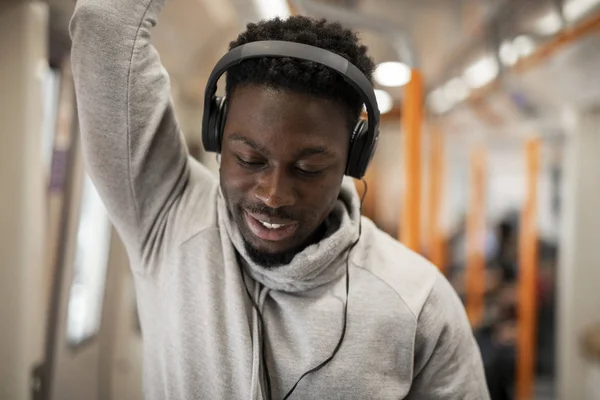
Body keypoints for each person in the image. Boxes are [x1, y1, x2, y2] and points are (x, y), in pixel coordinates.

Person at [69, 0, 489, 398]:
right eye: (249, 159)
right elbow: (104, 22)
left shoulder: (418, 301)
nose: (273, 195)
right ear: (216, 136)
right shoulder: (166, 214)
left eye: (308, 168)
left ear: (354, 158)